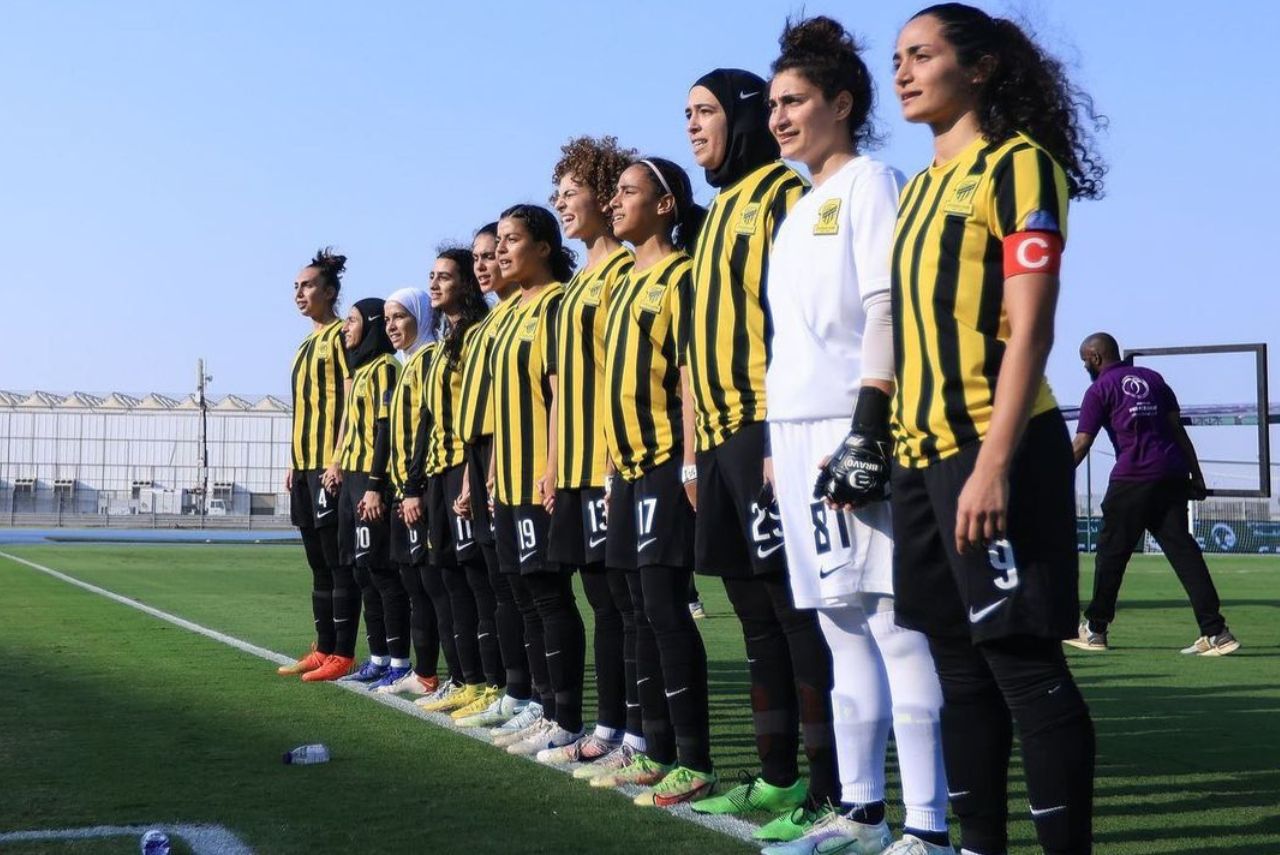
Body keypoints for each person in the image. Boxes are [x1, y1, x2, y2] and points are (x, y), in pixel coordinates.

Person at [889, 5, 1105, 853]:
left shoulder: (1019, 166)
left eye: (922, 55)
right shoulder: (916, 190)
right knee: (957, 668)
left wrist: (993, 463)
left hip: (993, 448)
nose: (903, 72)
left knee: (1023, 663)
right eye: (898, 58)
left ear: (978, 69)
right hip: (919, 458)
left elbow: (1032, 328)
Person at [760, 16, 950, 854]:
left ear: (841, 104)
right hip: (795, 432)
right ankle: (863, 811)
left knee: (893, 624)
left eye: (795, 101)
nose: (779, 117)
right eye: (773, 104)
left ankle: (930, 825)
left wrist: (867, 430)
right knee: (839, 626)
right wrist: (779, 445)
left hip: (851, 425)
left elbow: (886, 308)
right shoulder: (796, 208)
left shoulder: (872, 182)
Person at [682, 67, 840, 823]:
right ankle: (778, 776)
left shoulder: (782, 194)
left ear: (741, 118)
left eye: (705, 110)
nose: (692, 125)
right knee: (752, 614)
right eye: (687, 114)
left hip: (764, 430)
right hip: (718, 442)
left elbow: (800, 318)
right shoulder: (715, 213)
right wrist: (693, 453)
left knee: (794, 610)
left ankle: (832, 787)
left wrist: (783, 430)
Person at [587, 156, 717, 807]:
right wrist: (612, 469)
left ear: (665, 205)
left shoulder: (682, 275)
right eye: (613, 193)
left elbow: (690, 374)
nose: (614, 202)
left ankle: (694, 760)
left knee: (665, 608)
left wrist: (691, 460)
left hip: (667, 462)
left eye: (627, 192)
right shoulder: (622, 284)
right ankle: (653, 749)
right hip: (629, 471)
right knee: (634, 607)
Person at [542, 136, 641, 766]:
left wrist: (610, 460)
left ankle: (634, 733)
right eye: (557, 194)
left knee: (625, 605)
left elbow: (622, 377)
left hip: (612, 465)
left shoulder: (623, 274)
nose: (561, 204)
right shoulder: (577, 285)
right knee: (601, 602)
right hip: (575, 470)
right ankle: (607, 727)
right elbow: (560, 388)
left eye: (571, 192)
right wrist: (554, 465)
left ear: (604, 197)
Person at [487, 204, 589, 757]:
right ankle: (542, 708)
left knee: (549, 597)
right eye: (499, 240)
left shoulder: (553, 305)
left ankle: (565, 717)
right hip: (507, 481)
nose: (502, 250)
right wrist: (494, 469)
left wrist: (551, 466)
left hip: (537, 479)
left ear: (544, 247)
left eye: (512, 240)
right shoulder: (510, 313)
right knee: (524, 597)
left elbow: (556, 394)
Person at [1069, 332, 1239, 656]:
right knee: (1185, 554)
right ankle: (1217, 632)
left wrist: (1050, 479)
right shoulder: (1154, 379)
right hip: (1172, 476)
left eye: (1085, 362)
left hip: (1132, 479)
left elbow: (1081, 443)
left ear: (1095, 358)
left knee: (1111, 555)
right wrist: (1197, 475)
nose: (1085, 368)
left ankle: (1095, 631)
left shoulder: (1099, 389)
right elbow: (1177, 429)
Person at [452, 224, 549, 734]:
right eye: (479, 258)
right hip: (487, 459)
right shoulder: (492, 324)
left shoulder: (538, 309)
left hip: (517, 460)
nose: (485, 264)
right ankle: (517, 691)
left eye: (492, 254)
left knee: (534, 591)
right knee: (504, 586)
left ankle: (541, 699)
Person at [414, 249, 510, 718]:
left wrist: (476, 474)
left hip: (464, 467)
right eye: (431, 277)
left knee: (478, 582)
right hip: (438, 471)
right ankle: (466, 679)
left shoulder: (476, 335)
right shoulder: (443, 342)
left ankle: (495, 684)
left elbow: (485, 412)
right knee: (449, 580)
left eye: (445, 277)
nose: (435, 284)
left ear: (466, 284)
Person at [378, 286, 461, 700]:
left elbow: (428, 428)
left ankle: (457, 677)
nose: (391, 326)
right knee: (416, 586)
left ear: (422, 317)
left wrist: (416, 488)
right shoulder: (408, 363)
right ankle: (426, 672)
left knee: (435, 587)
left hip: (423, 491)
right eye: (387, 319)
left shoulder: (429, 359)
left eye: (400, 317)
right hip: (404, 491)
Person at [278, 248, 354, 680]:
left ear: (329, 292)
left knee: (337, 562)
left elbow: (350, 397)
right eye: (296, 287)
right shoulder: (304, 345)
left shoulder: (341, 335)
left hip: (329, 466)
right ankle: (323, 647)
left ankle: (343, 652)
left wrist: (338, 457)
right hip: (304, 467)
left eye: (307, 286)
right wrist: (293, 461)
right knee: (317, 564)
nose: (299, 293)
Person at [334, 297, 410, 688]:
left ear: (372, 324)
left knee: (381, 572)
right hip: (351, 479)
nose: (345, 328)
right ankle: (378, 658)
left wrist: (376, 485)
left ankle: (399, 661)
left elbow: (385, 428)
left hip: (369, 480)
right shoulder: (361, 370)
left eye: (352, 320)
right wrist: (337, 464)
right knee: (362, 572)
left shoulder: (385, 368)